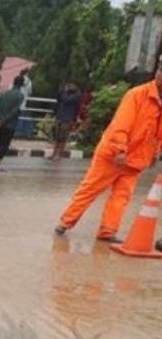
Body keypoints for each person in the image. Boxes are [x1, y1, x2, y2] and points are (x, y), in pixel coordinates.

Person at [55, 63, 162, 242]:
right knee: (90, 188)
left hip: (135, 160)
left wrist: (154, 153)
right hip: (113, 154)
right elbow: (122, 124)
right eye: (160, 71)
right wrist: (120, 149)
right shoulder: (137, 95)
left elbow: (158, 133)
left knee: (121, 196)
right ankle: (65, 222)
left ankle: (108, 231)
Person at [52, 81, 81, 160]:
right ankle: (54, 153)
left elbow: (66, 100)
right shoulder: (65, 93)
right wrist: (61, 91)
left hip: (68, 119)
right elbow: (58, 98)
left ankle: (59, 155)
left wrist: (64, 92)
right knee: (57, 137)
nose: (69, 87)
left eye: (70, 85)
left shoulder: (76, 95)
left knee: (63, 138)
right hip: (60, 117)